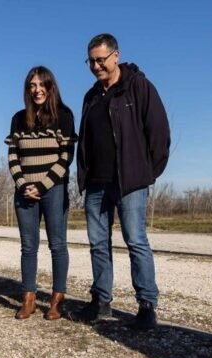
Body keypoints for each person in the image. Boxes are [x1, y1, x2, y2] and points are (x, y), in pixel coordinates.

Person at [71, 33, 171, 329]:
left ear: (116, 56)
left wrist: (146, 172)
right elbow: (86, 139)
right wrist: (84, 175)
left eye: (101, 60)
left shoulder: (137, 86)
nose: (96, 66)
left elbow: (159, 132)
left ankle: (147, 305)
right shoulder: (91, 96)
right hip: (97, 183)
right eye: (91, 61)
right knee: (98, 244)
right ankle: (101, 301)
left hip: (130, 182)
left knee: (136, 241)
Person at [6, 66, 76, 321]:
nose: (37, 90)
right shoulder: (18, 118)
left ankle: (57, 300)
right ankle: (29, 298)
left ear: (50, 87)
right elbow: (13, 155)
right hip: (24, 191)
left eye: (41, 85)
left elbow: (66, 156)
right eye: (32, 86)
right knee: (28, 246)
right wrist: (23, 184)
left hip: (53, 189)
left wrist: (43, 185)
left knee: (57, 244)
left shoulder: (64, 116)